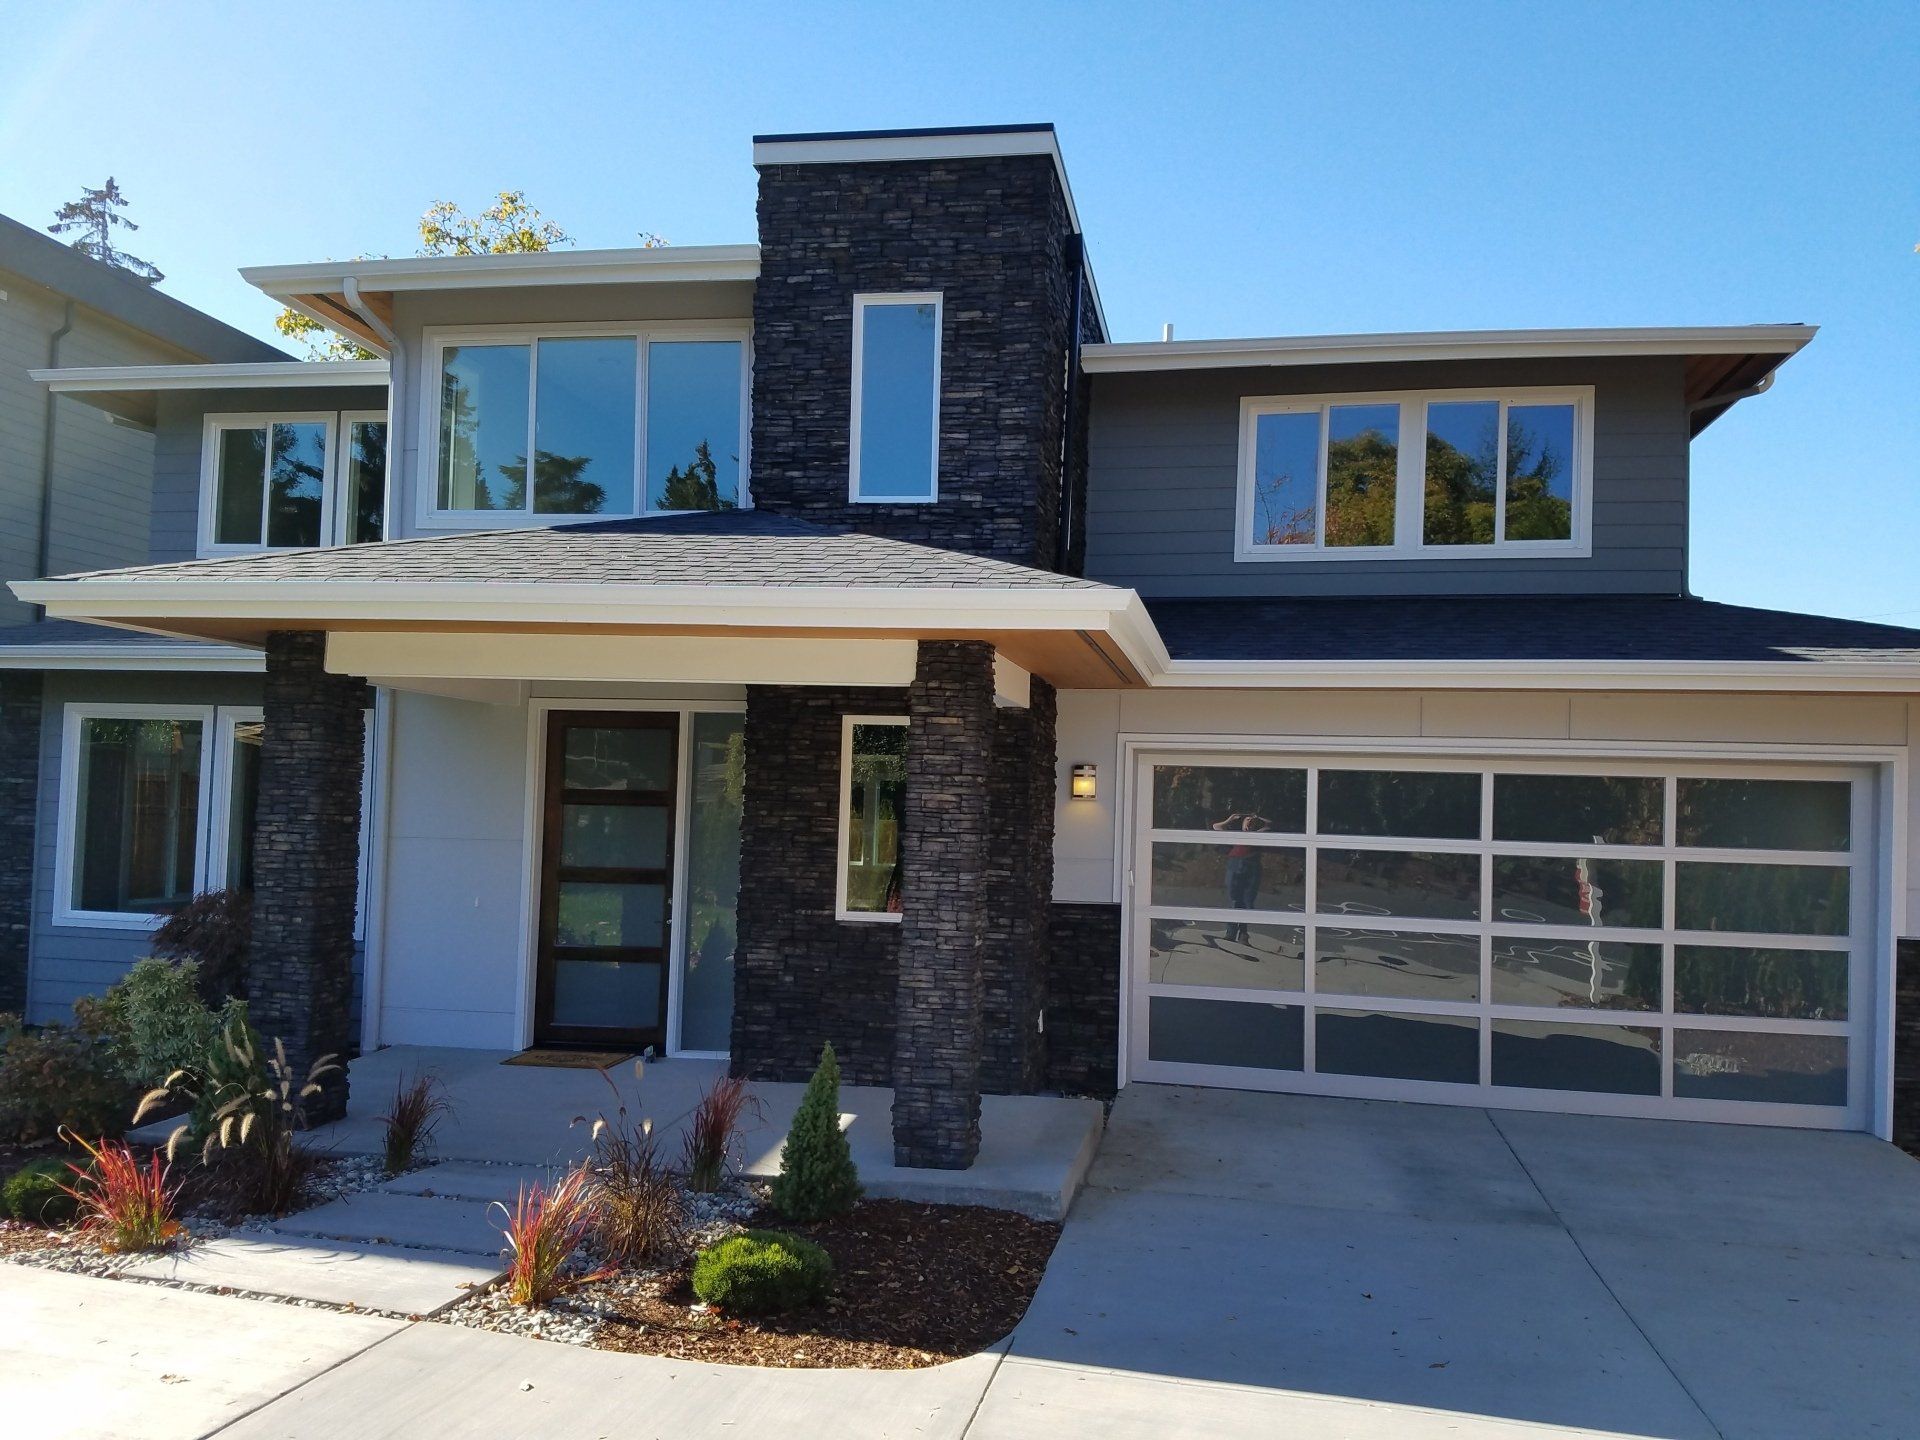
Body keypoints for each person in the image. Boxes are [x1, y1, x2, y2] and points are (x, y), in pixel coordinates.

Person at [1212, 804, 1270, 942]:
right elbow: (1216, 827)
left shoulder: (1258, 835)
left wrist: (1257, 816)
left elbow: (1270, 825)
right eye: (1247, 820)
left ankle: (1243, 932)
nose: (1249, 823)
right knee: (1234, 899)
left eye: (1252, 821)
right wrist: (1230, 819)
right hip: (1235, 864)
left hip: (1251, 866)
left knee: (1247, 900)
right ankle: (1231, 932)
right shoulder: (1236, 835)